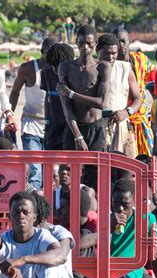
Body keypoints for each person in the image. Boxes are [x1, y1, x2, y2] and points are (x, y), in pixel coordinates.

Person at [58, 25, 111, 191]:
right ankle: (70, 212)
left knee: (95, 175)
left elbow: (101, 102)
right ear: (76, 42)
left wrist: (71, 94)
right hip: (74, 126)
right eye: (81, 43)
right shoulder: (65, 68)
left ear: (95, 43)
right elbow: (66, 106)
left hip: (96, 128)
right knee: (70, 173)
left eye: (89, 43)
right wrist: (77, 136)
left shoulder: (102, 67)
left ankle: (94, 214)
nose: (85, 47)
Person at [0, 191, 67, 278]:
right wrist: (5, 267)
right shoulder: (3, 239)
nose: (21, 216)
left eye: (26, 212)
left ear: (34, 217)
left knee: (52, 263)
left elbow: (60, 255)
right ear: (9, 216)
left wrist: (23, 260)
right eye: (16, 212)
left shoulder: (42, 236)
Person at [10, 37, 58, 190]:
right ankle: (33, 206)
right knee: (35, 171)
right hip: (31, 124)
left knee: (51, 172)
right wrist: (10, 115)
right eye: (47, 56)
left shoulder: (61, 69)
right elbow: (15, 92)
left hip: (53, 126)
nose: (50, 60)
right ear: (42, 53)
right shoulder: (28, 68)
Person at [32, 192, 80, 278]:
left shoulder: (59, 232)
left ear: (40, 217)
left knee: (55, 261)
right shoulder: (23, 233)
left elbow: (61, 256)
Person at [96, 33, 142, 157]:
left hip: (120, 124)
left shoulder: (125, 68)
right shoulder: (91, 69)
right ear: (97, 51)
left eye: (114, 53)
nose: (110, 57)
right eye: (106, 53)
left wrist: (127, 112)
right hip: (97, 126)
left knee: (125, 170)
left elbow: (138, 99)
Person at [113, 28, 155, 156]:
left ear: (129, 42)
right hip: (122, 121)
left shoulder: (141, 60)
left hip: (142, 119)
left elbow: (154, 82)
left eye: (123, 41)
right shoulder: (110, 67)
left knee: (148, 158)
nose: (121, 45)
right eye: (117, 42)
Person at [42, 43, 75, 150]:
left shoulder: (76, 73)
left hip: (72, 128)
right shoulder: (46, 71)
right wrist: (46, 122)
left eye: (57, 66)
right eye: (52, 66)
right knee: (50, 164)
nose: (55, 70)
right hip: (53, 127)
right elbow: (48, 97)